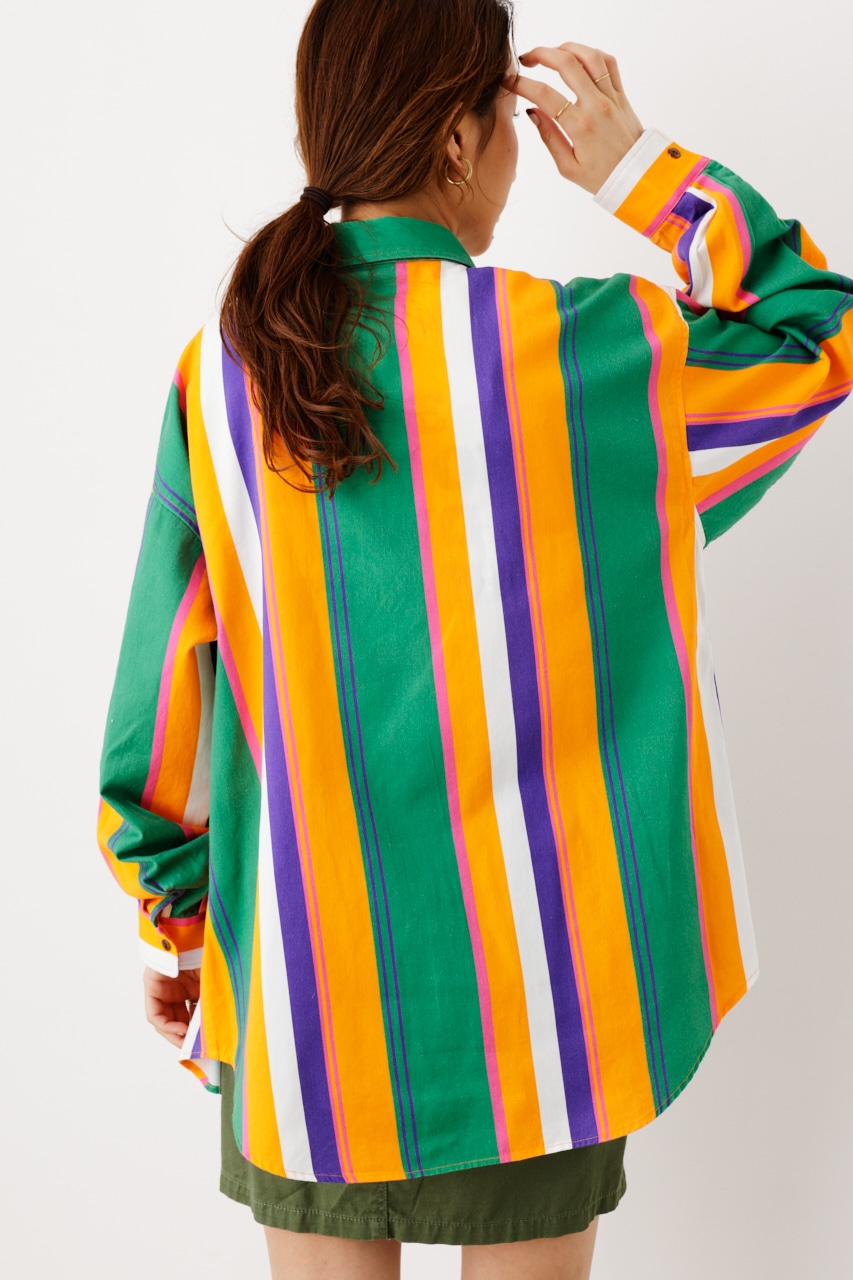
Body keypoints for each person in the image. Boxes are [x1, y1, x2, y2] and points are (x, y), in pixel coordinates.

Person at [96, 1, 853, 1277]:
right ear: (456, 138)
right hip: (542, 1007)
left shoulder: (222, 372)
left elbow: (160, 695)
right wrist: (635, 165)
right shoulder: (591, 357)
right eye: (504, 112)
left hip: (306, 994)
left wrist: (177, 923)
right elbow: (813, 332)